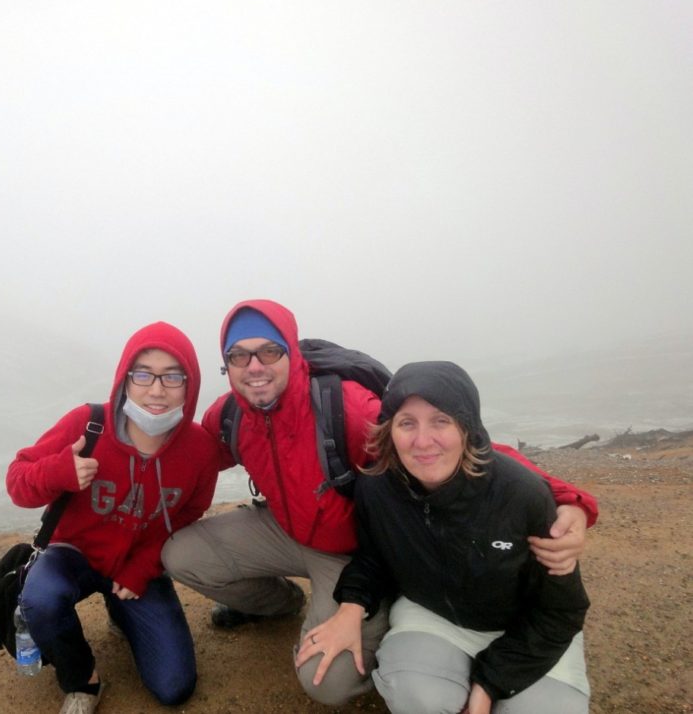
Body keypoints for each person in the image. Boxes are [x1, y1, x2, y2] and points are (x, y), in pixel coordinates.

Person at [161, 299, 598, 706]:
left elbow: (455, 446)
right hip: (283, 529)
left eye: (269, 351)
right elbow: (192, 457)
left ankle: (380, 629)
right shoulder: (230, 414)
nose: (254, 366)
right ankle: (281, 604)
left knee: (327, 682)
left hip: (353, 556)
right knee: (182, 554)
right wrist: (134, 450)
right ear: (227, 364)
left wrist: (570, 500)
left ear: (292, 352)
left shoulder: (344, 406)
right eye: (239, 355)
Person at [297, 361, 590, 714]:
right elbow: (374, 558)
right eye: (407, 423)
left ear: (467, 428)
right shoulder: (377, 488)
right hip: (432, 615)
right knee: (417, 697)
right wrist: (351, 606)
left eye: (441, 421)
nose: (423, 441)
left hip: (526, 627)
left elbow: (561, 610)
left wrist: (489, 682)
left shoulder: (523, 494)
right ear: (389, 430)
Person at [6, 322, 219, 714]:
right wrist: (58, 472)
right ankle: (82, 680)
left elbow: (190, 512)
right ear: (125, 378)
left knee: (174, 687)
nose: (157, 390)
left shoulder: (200, 449)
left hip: (136, 566)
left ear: (190, 385)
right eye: (144, 374)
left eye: (173, 376)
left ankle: (122, 612)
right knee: (41, 599)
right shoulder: (88, 424)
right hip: (72, 555)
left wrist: (144, 566)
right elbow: (17, 481)